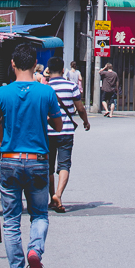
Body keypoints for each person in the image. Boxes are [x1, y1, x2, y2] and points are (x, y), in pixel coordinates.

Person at [0, 42, 63, 268]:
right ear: (34, 65)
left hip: (9, 160)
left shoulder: (2, 93)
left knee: (10, 220)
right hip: (38, 162)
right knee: (39, 214)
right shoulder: (46, 93)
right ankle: (35, 250)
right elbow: (59, 125)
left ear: (12, 64)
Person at [44, 57, 90, 213]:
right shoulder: (71, 86)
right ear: (63, 70)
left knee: (48, 166)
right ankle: (58, 194)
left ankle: (52, 198)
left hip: (48, 131)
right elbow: (80, 108)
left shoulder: (44, 87)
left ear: (48, 70)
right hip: (66, 131)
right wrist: (85, 122)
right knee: (64, 164)